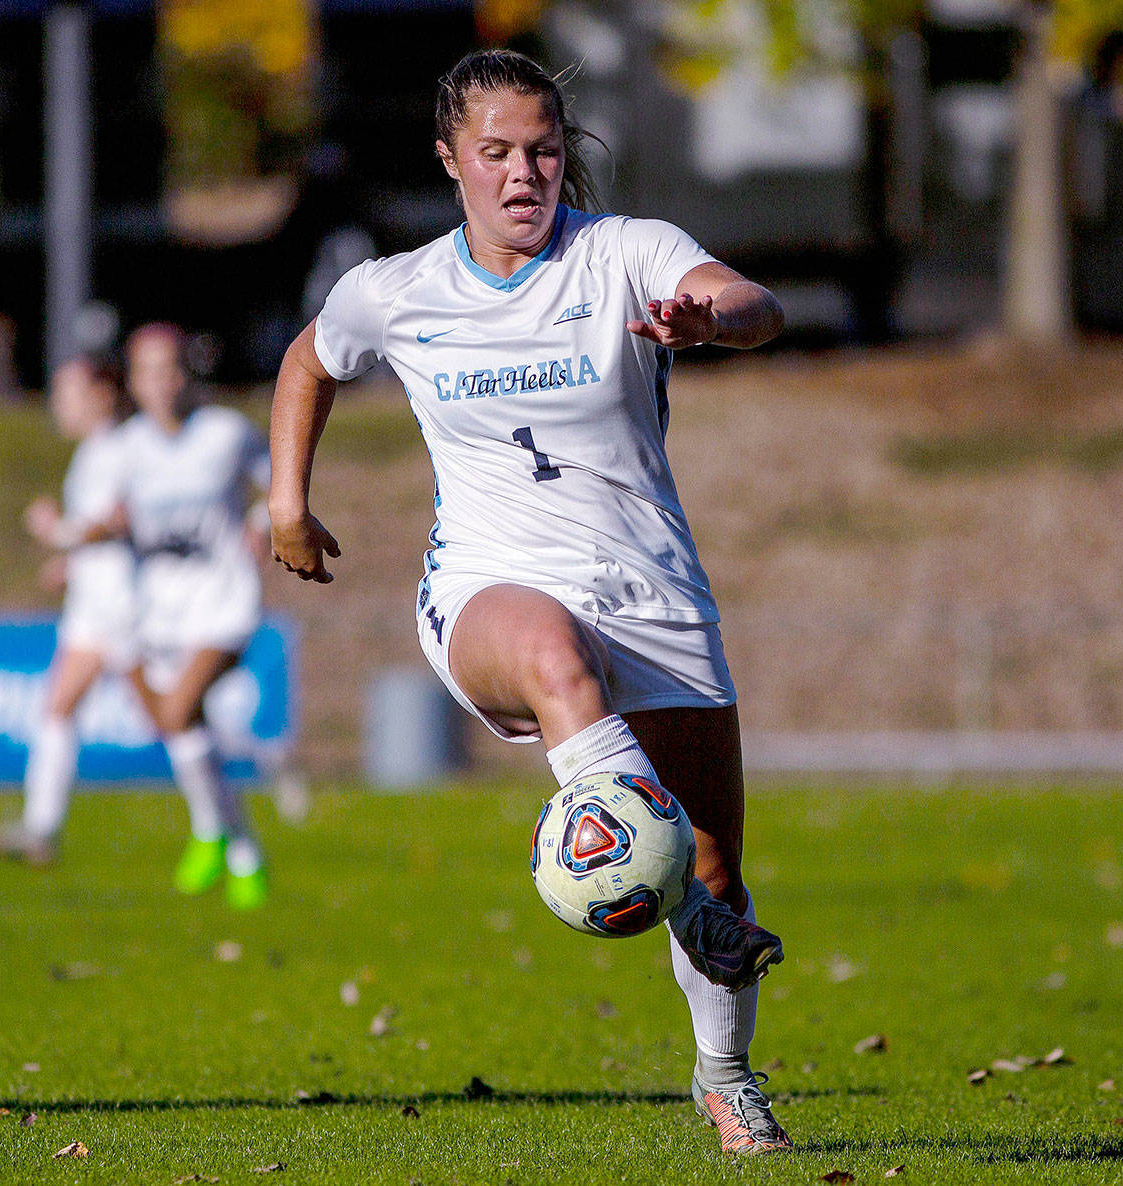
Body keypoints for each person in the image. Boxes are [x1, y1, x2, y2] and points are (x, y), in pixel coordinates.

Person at [268, 49, 791, 1154]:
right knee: (553, 657)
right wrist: (285, 505)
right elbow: (309, 361)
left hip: (651, 589)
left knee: (712, 863)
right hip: (485, 589)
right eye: (496, 152)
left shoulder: (622, 253)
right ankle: (658, 890)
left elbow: (750, 302)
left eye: (543, 150)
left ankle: (725, 1075)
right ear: (452, 160)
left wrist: (713, 319)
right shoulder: (397, 289)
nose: (523, 173)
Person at [117, 322, 272, 910]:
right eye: (150, 369)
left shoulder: (225, 433)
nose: (164, 380)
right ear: (133, 381)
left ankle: (209, 832)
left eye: (172, 366)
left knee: (180, 711)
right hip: (159, 609)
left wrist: (262, 526)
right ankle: (244, 849)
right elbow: (99, 514)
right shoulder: (124, 448)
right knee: (183, 730)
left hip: (225, 601)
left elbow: (279, 484)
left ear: (189, 371)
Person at [0, 354, 136, 866]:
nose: (59, 405)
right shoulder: (89, 453)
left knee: (173, 715)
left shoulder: (122, 448)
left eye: (69, 392)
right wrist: (69, 562)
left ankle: (271, 760)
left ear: (103, 394)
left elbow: (114, 522)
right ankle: (40, 830)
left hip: (123, 606)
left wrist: (56, 533)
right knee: (57, 708)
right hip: (92, 604)